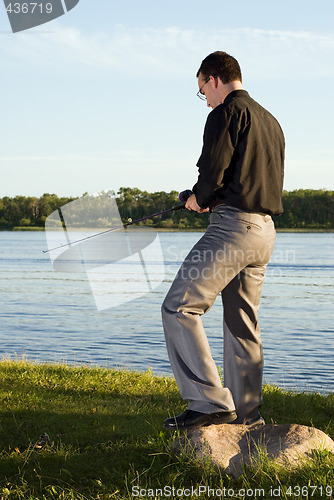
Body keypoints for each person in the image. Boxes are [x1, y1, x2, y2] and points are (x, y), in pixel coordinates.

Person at [162, 51, 285, 430]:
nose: (206, 98)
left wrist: (197, 198)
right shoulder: (271, 121)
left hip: (233, 229)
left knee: (180, 307)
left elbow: (213, 169)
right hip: (264, 232)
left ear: (213, 78)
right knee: (242, 323)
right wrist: (208, 197)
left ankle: (208, 402)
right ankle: (247, 418)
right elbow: (246, 177)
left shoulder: (224, 114)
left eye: (203, 90)